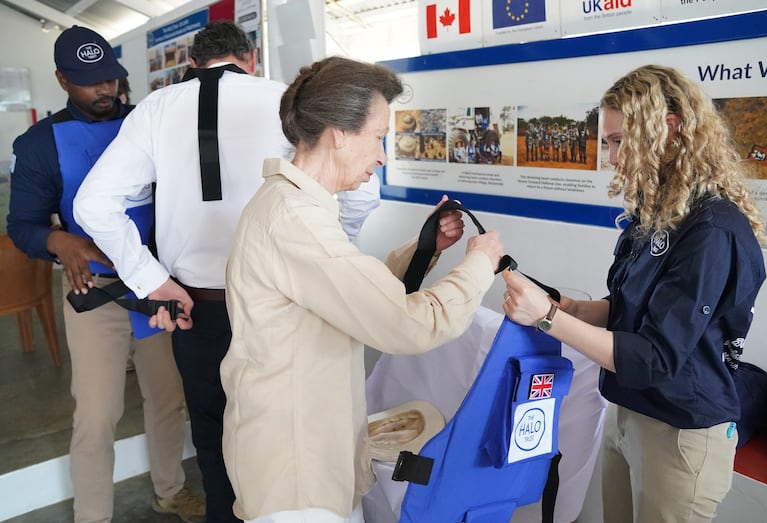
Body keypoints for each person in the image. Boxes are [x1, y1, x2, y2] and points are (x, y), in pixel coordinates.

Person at [74, 21, 383, 522]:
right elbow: (362, 192)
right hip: (286, 307)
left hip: (194, 309)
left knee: (215, 439)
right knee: (291, 440)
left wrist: (152, 280)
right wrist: (330, 249)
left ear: (192, 64)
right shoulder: (288, 100)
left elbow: (93, 204)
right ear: (251, 59)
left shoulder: (155, 107)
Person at [220, 55, 505, 523]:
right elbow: (408, 324)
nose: (382, 156)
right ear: (339, 133)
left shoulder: (294, 205)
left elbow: (348, 292)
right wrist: (480, 264)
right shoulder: (296, 219)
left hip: (310, 455)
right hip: (295, 474)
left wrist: (425, 248)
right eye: (377, 137)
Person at [502, 64, 767, 523]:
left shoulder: (712, 228)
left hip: (682, 434)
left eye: (620, 141)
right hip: (630, 415)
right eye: (607, 141)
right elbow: (630, 308)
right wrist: (574, 309)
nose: (611, 156)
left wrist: (548, 318)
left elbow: (654, 356)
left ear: (666, 128)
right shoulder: (658, 209)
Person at [7, 25, 203, 523]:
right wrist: (61, 240)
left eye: (110, 79)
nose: (104, 91)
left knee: (166, 401)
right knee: (95, 417)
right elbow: (23, 225)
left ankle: (170, 490)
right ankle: (92, 515)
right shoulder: (39, 143)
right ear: (61, 80)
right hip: (93, 295)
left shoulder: (147, 124)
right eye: (88, 82)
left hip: (157, 288)